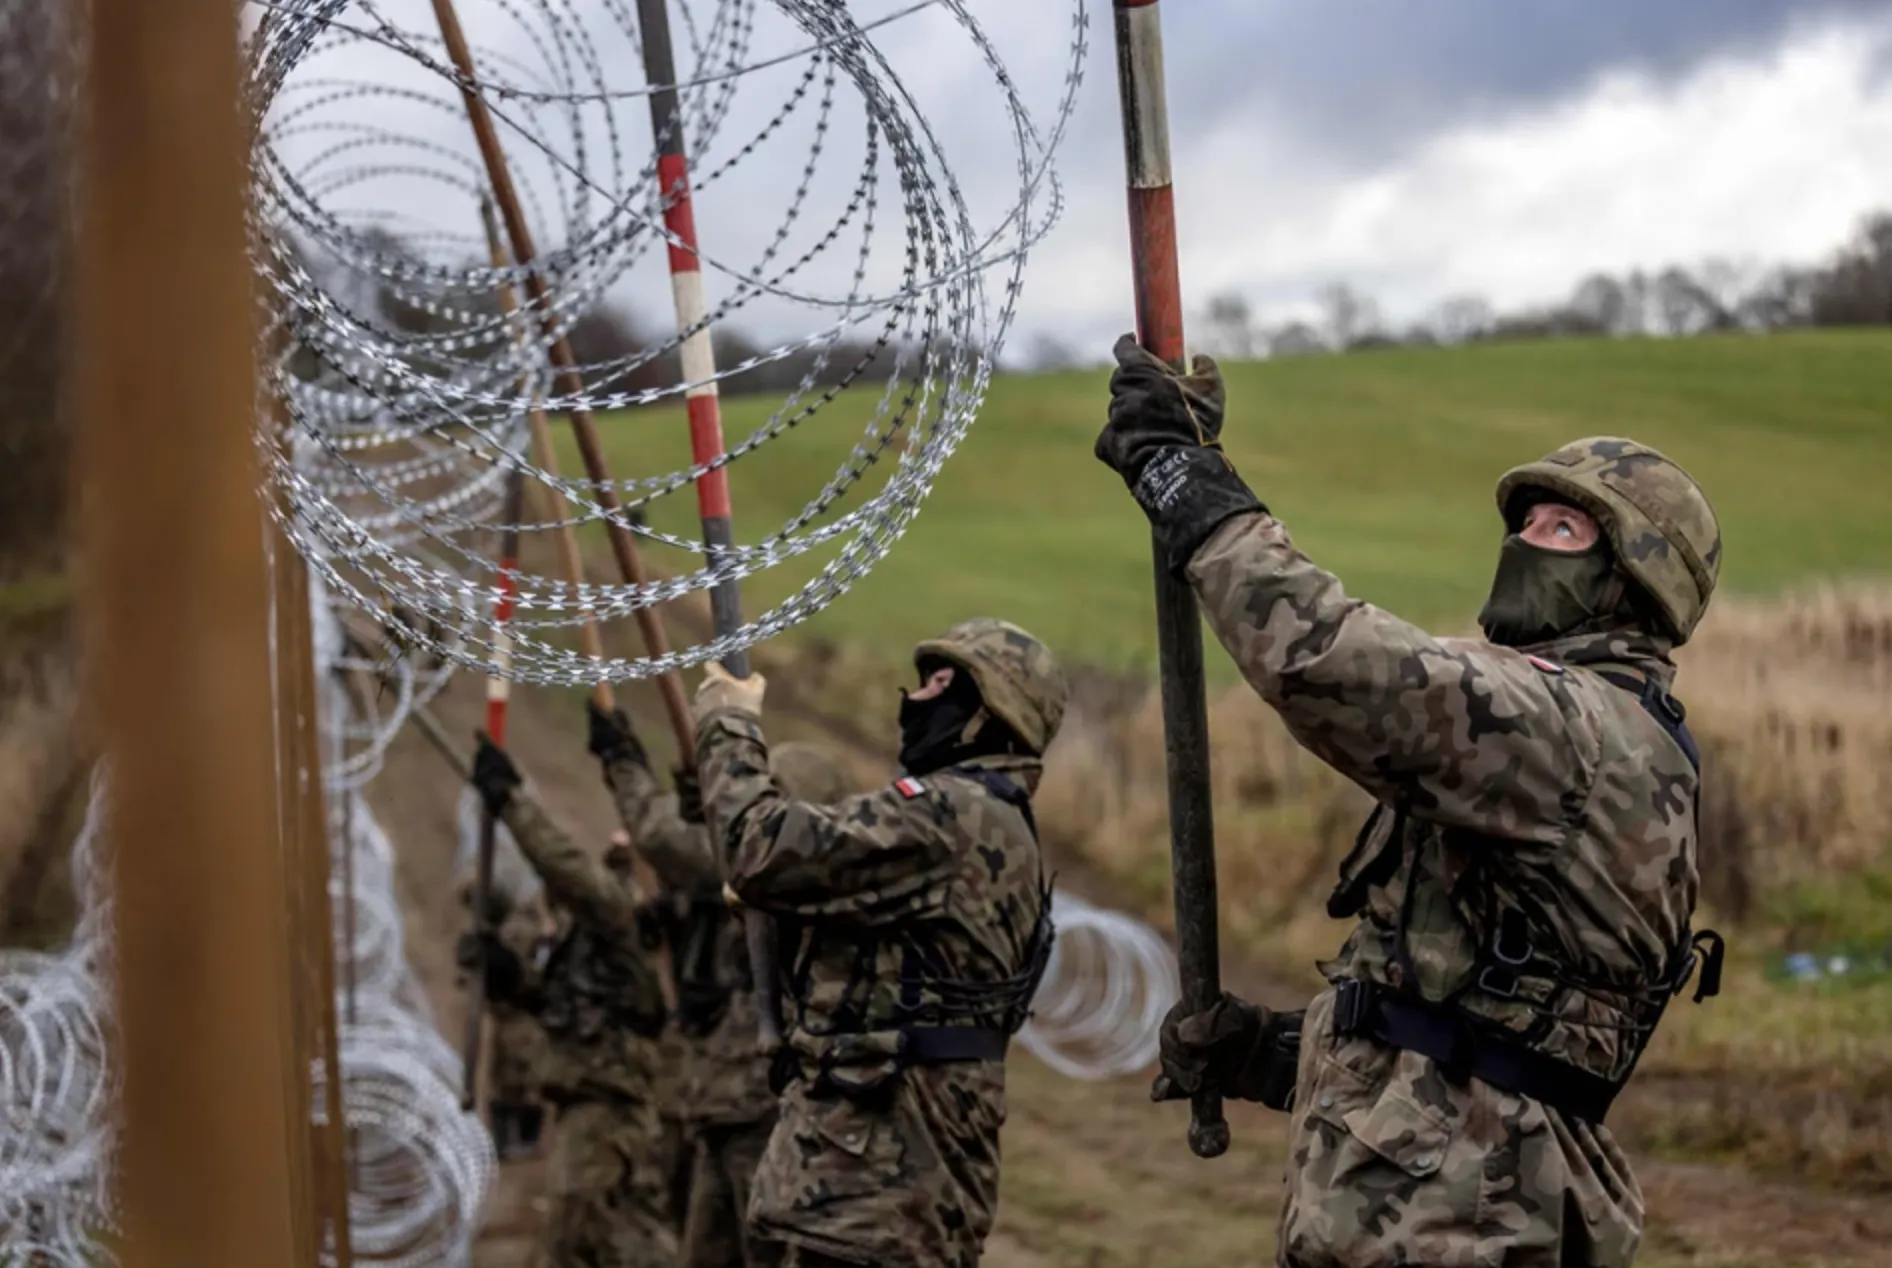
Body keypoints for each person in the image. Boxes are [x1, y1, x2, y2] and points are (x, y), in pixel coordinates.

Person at [1092, 335, 1726, 1268]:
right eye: (1526, 520)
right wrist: (1277, 1054)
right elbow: (1479, 1021)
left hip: (1463, 1213)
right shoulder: (1581, 726)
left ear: (1631, 581)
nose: (1521, 539)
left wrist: (1191, 484)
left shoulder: (1575, 726)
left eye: (1561, 529)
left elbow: (1331, 664)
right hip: (1452, 1196)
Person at [691, 619, 1066, 1268]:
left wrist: (729, 725)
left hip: (879, 1183)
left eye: (942, 684)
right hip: (879, 1182)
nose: (914, 698)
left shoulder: (951, 815)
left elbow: (757, 849)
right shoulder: (991, 820)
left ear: (991, 712)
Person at [586, 701, 851, 1268]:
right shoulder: (759, 869)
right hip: (719, 1103)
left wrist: (623, 761)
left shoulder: (788, 868)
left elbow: (667, 840)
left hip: (764, 1113)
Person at [470, 735, 679, 1268]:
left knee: (578, 1237)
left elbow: (570, 873)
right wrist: (509, 977)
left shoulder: (625, 924)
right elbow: (567, 1004)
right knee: (595, 1237)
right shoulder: (601, 938)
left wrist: (512, 801)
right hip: (591, 1104)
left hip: (610, 1108)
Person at [456, 883, 553, 1162]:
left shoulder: (513, 934)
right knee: (514, 1079)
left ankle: (517, 1139)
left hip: (521, 1016)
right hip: (518, 1016)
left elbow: (523, 975)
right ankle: (514, 1139)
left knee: (519, 1080)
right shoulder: (515, 930)